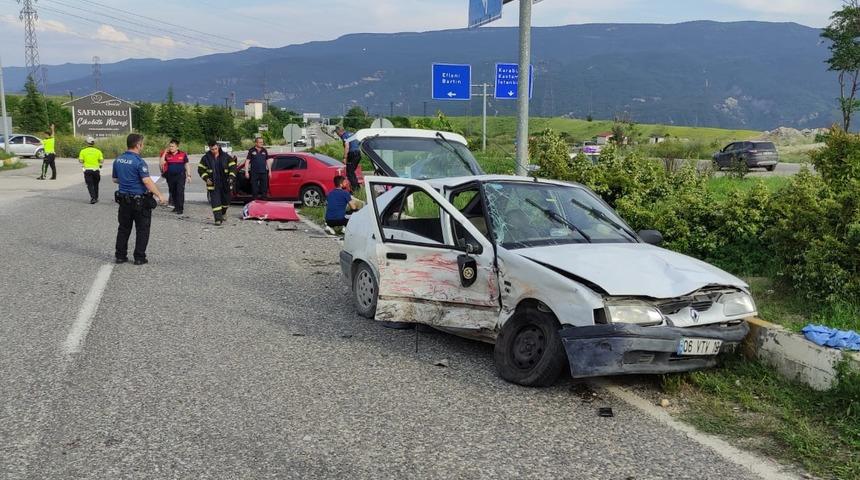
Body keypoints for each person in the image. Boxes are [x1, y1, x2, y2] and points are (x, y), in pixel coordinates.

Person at [113, 133, 166, 265]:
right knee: (142, 229)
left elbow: (115, 179)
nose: (142, 146)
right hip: (139, 201)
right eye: (142, 144)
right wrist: (159, 195)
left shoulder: (118, 160)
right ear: (138, 145)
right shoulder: (139, 162)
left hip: (124, 200)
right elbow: (146, 181)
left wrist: (127, 181)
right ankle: (139, 257)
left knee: (124, 228)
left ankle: (120, 256)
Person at [198, 140, 237, 225]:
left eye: (216, 148)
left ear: (218, 147)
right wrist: (206, 178)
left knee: (226, 202)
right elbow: (200, 169)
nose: (214, 151)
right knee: (215, 202)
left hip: (225, 183)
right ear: (209, 148)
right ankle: (218, 219)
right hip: (213, 184)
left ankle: (223, 212)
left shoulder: (226, 156)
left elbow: (233, 167)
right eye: (212, 149)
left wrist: (231, 177)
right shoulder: (205, 158)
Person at [159, 139, 191, 215]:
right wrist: (164, 153)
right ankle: (176, 206)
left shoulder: (183, 154)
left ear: (177, 147)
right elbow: (161, 163)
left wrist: (189, 175)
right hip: (170, 176)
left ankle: (180, 208)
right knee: (173, 192)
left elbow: (187, 165)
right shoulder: (167, 155)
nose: (171, 148)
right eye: (170, 146)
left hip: (180, 176)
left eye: (172, 146)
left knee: (180, 191)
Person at [77, 136, 104, 204]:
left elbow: (81, 161)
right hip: (96, 170)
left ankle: (93, 198)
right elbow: (101, 161)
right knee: (96, 184)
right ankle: (96, 197)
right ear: (93, 143)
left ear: (87, 143)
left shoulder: (83, 151)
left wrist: (83, 161)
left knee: (90, 185)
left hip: (87, 170)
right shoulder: (98, 151)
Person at [335, 125, 361, 192]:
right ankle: (357, 187)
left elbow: (347, 147)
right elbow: (358, 143)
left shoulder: (344, 136)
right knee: (351, 172)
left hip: (352, 154)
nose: (338, 135)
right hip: (358, 154)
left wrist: (344, 158)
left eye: (337, 133)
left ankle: (355, 189)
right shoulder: (351, 134)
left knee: (349, 173)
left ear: (340, 131)